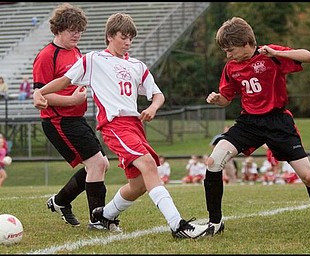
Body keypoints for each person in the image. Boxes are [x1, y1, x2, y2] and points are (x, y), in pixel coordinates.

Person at [33, 12, 213, 239]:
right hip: (115, 125)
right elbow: (65, 80)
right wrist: (39, 91)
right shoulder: (93, 59)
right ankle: (178, 225)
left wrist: (153, 107)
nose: (128, 42)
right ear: (110, 36)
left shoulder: (137, 65)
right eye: (123, 37)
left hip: (135, 126)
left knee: (138, 184)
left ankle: (103, 216)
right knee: (148, 165)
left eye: (131, 38)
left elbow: (157, 94)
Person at [204, 16, 310, 236]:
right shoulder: (231, 68)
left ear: (247, 43)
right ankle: (215, 223)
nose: (227, 55)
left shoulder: (270, 55)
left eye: (231, 49)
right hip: (249, 122)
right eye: (225, 51)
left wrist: (277, 53)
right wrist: (216, 99)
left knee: (309, 178)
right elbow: (226, 98)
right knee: (213, 161)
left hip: (278, 122)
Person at [32, 3, 110, 230]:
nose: (77, 34)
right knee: (96, 164)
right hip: (58, 121)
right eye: (72, 29)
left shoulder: (75, 52)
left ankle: (60, 202)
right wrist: (72, 101)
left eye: (80, 30)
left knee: (100, 164)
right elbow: (41, 95)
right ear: (58, 29)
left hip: (76, 118)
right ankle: (98, 221)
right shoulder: (47, 56)